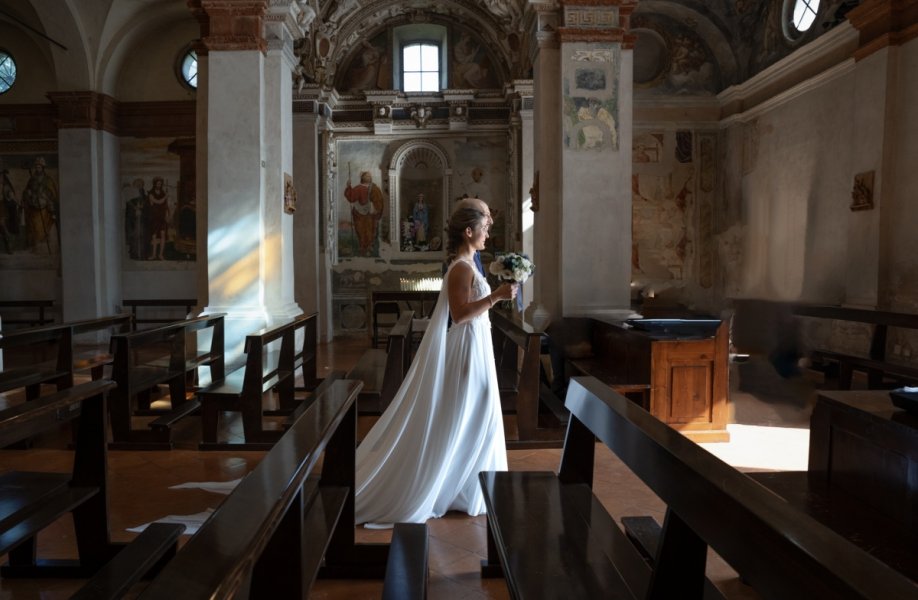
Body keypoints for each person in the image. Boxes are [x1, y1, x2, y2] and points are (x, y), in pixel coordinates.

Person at [354, 205, 518, 526]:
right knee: (470, 411)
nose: (488, 231)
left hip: (477, 346)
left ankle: (464, 486)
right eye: (484, 226)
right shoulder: (461, 268)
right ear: (468, 231)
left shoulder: (470, 263)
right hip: (468, 349)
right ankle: (451, 486)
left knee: (476, 413)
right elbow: (459, 315)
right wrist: (496, 296)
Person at [22, 157, 58, 254]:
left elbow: (53, 193)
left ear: (43, 168)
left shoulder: (48, 180)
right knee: (35, 228)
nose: (38, 169)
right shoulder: (32, 179)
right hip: (34, 207)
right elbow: (26, 191)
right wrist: (28, 193)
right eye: (36, 167)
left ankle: (45, 249)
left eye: (39, 167)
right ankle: (36, 248)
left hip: (44, 208)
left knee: (43, 227)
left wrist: (44, 196)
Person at [344, 171, 384, 256]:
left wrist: (377, 208)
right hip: (359, 215)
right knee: (360, 231)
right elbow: (351, 197)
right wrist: (348, 187)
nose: (368, 177)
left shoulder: (374, 188)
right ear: (362, 178)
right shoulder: (359, 188)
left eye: (369, 176)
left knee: (370, 231)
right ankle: (362, 247)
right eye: (366, 176)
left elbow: (379, 200)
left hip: (370, 215)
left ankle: (369, 246)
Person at [147, 177, 169, 260]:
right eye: (158, 183)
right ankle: (153, 255)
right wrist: (165, 197)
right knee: (154, 237)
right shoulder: (151, 193)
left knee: (163, 235)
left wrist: (167, 215)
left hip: (162, 218)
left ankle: (160, 255)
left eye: (160, 184)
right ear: (155, 184)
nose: (159, 185)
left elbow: (165, 206)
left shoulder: (163, 193)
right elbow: (158, 201)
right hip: (154, 218)